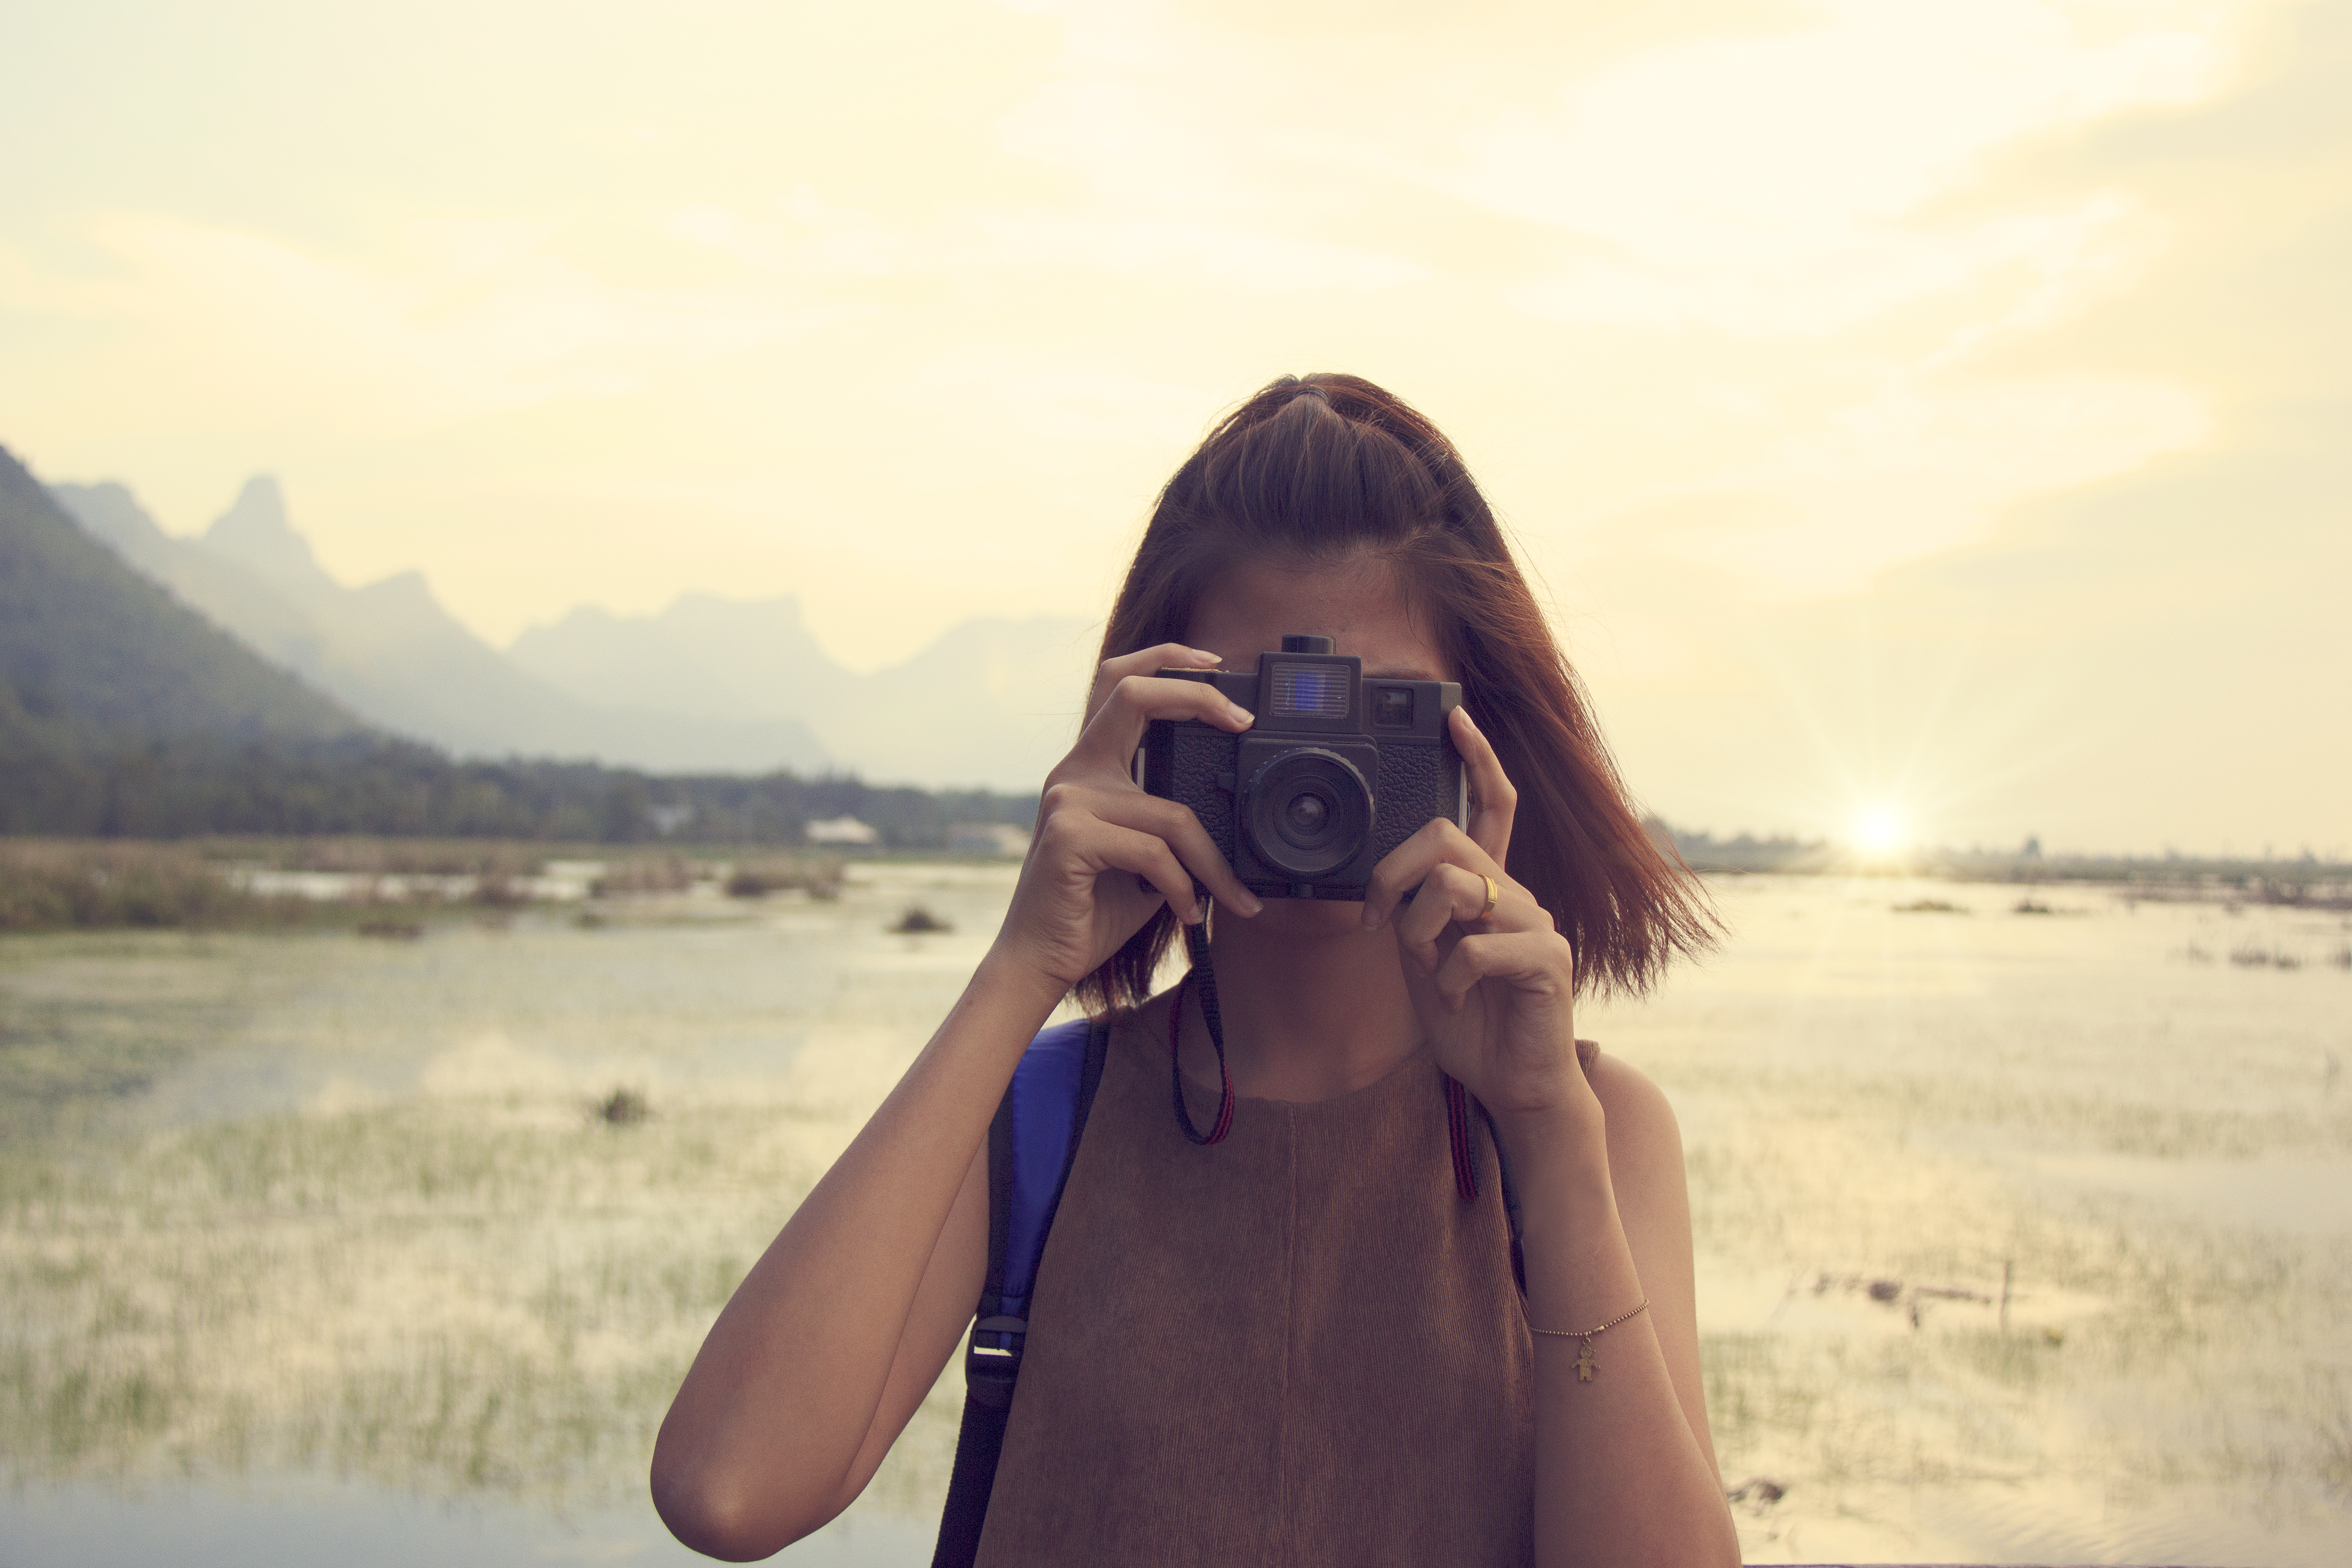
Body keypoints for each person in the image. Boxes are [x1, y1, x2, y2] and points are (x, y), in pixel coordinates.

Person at [651, 373, 1740, 1566]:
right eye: (1253, 714)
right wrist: (1027, 968)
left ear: (1473, 740)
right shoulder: (1040, 1120)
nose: (1310, 773)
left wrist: (1546, 1133)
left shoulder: (1594, 1132)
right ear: (1151, 719)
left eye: (1370, 716)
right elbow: (727, 1489)